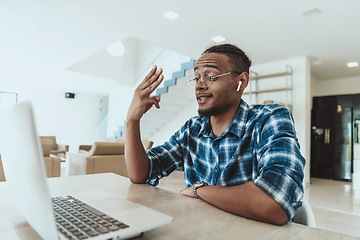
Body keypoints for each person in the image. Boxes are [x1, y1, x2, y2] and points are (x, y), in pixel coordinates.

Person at [125, 43, 305, 226]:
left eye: (210, 76)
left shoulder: (270, 119)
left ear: (241, 82)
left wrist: (199, 190)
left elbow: (275, 204)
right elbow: (141, 174)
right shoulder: (192, 129)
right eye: (196, 78)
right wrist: (132, 120)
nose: (199, 86)